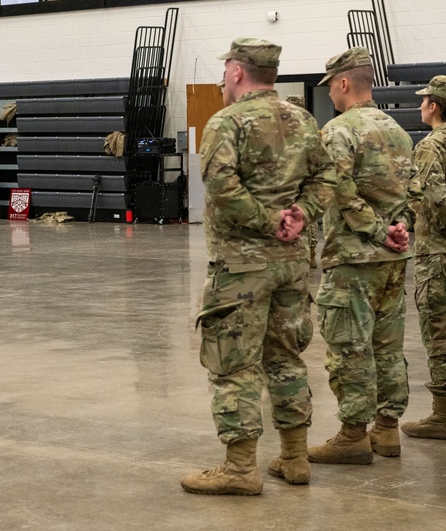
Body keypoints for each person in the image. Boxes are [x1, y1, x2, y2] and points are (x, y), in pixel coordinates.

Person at [180, 39, 335, 496]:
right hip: (292, 264)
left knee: (234, 365)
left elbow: (221, 184)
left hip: (242, 267)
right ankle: (295, 458)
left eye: (225, 69)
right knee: (285, 358)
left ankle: (241, 468)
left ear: (235, 72)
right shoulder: (303, 119)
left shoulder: (226, 121)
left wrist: (268, 222)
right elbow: (326, 177)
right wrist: (301, 214)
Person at [307, 47, 420, 465]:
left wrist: (375, 230)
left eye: (331, 89)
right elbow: (413, 192)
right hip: (393, 259)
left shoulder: (339, 131)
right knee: (387, 345)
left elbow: (336, 187)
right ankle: (386, 430)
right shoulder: (398, 131)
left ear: (343, 83)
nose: (331, 98)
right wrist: (399, 229)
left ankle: (354, 434)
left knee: (349, 346)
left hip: (354, 260)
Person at [401, 76, 446, 440]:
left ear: (434, 105)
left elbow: (436, 202)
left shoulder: (431, 146)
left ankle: (442, 414)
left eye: (424, 100)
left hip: (438, 255)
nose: (419, 106)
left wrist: (414, 207)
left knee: (439, 331)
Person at [286, 95, 320, 267]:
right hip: (295, 189)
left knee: (306, 221)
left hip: (302, 187)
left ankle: (310, 252)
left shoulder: (310, 134)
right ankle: (308, 253)